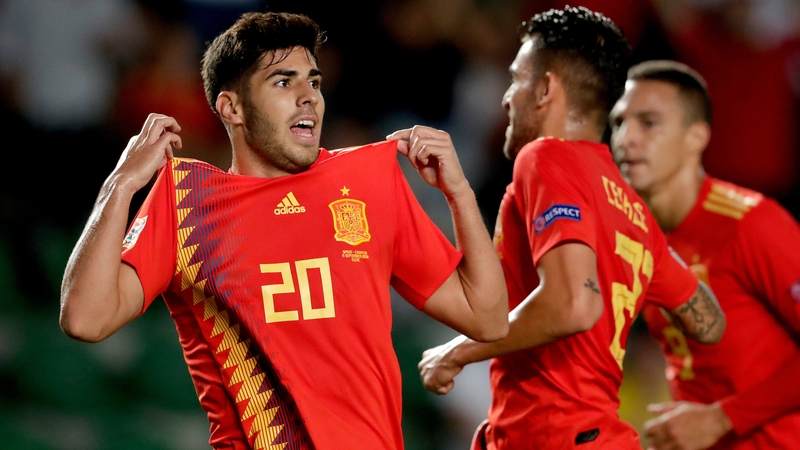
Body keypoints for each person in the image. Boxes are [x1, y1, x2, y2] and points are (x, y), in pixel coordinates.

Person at [58, 11, 509, 450]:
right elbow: (85, 318)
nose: (308, 95)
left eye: (313, 81)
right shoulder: (187, 203)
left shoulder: (368, 182)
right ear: (231, 107)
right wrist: (119, 186)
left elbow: (485, 316)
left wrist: (460, 194)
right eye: (283, 81)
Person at [416, 7, 726, 450]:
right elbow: (709, 322)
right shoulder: (632, 208)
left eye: (515, 79)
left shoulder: (546, 158)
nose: (506, 97)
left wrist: (457, 352)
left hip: (554, 436)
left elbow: (574, 305)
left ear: (544, 89)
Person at [610, 59, 800, 450]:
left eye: (648, 123)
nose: (626, 139)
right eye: (618, 123)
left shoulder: (752, 224)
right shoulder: (638, 235)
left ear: (696, 137)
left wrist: (722, 419)